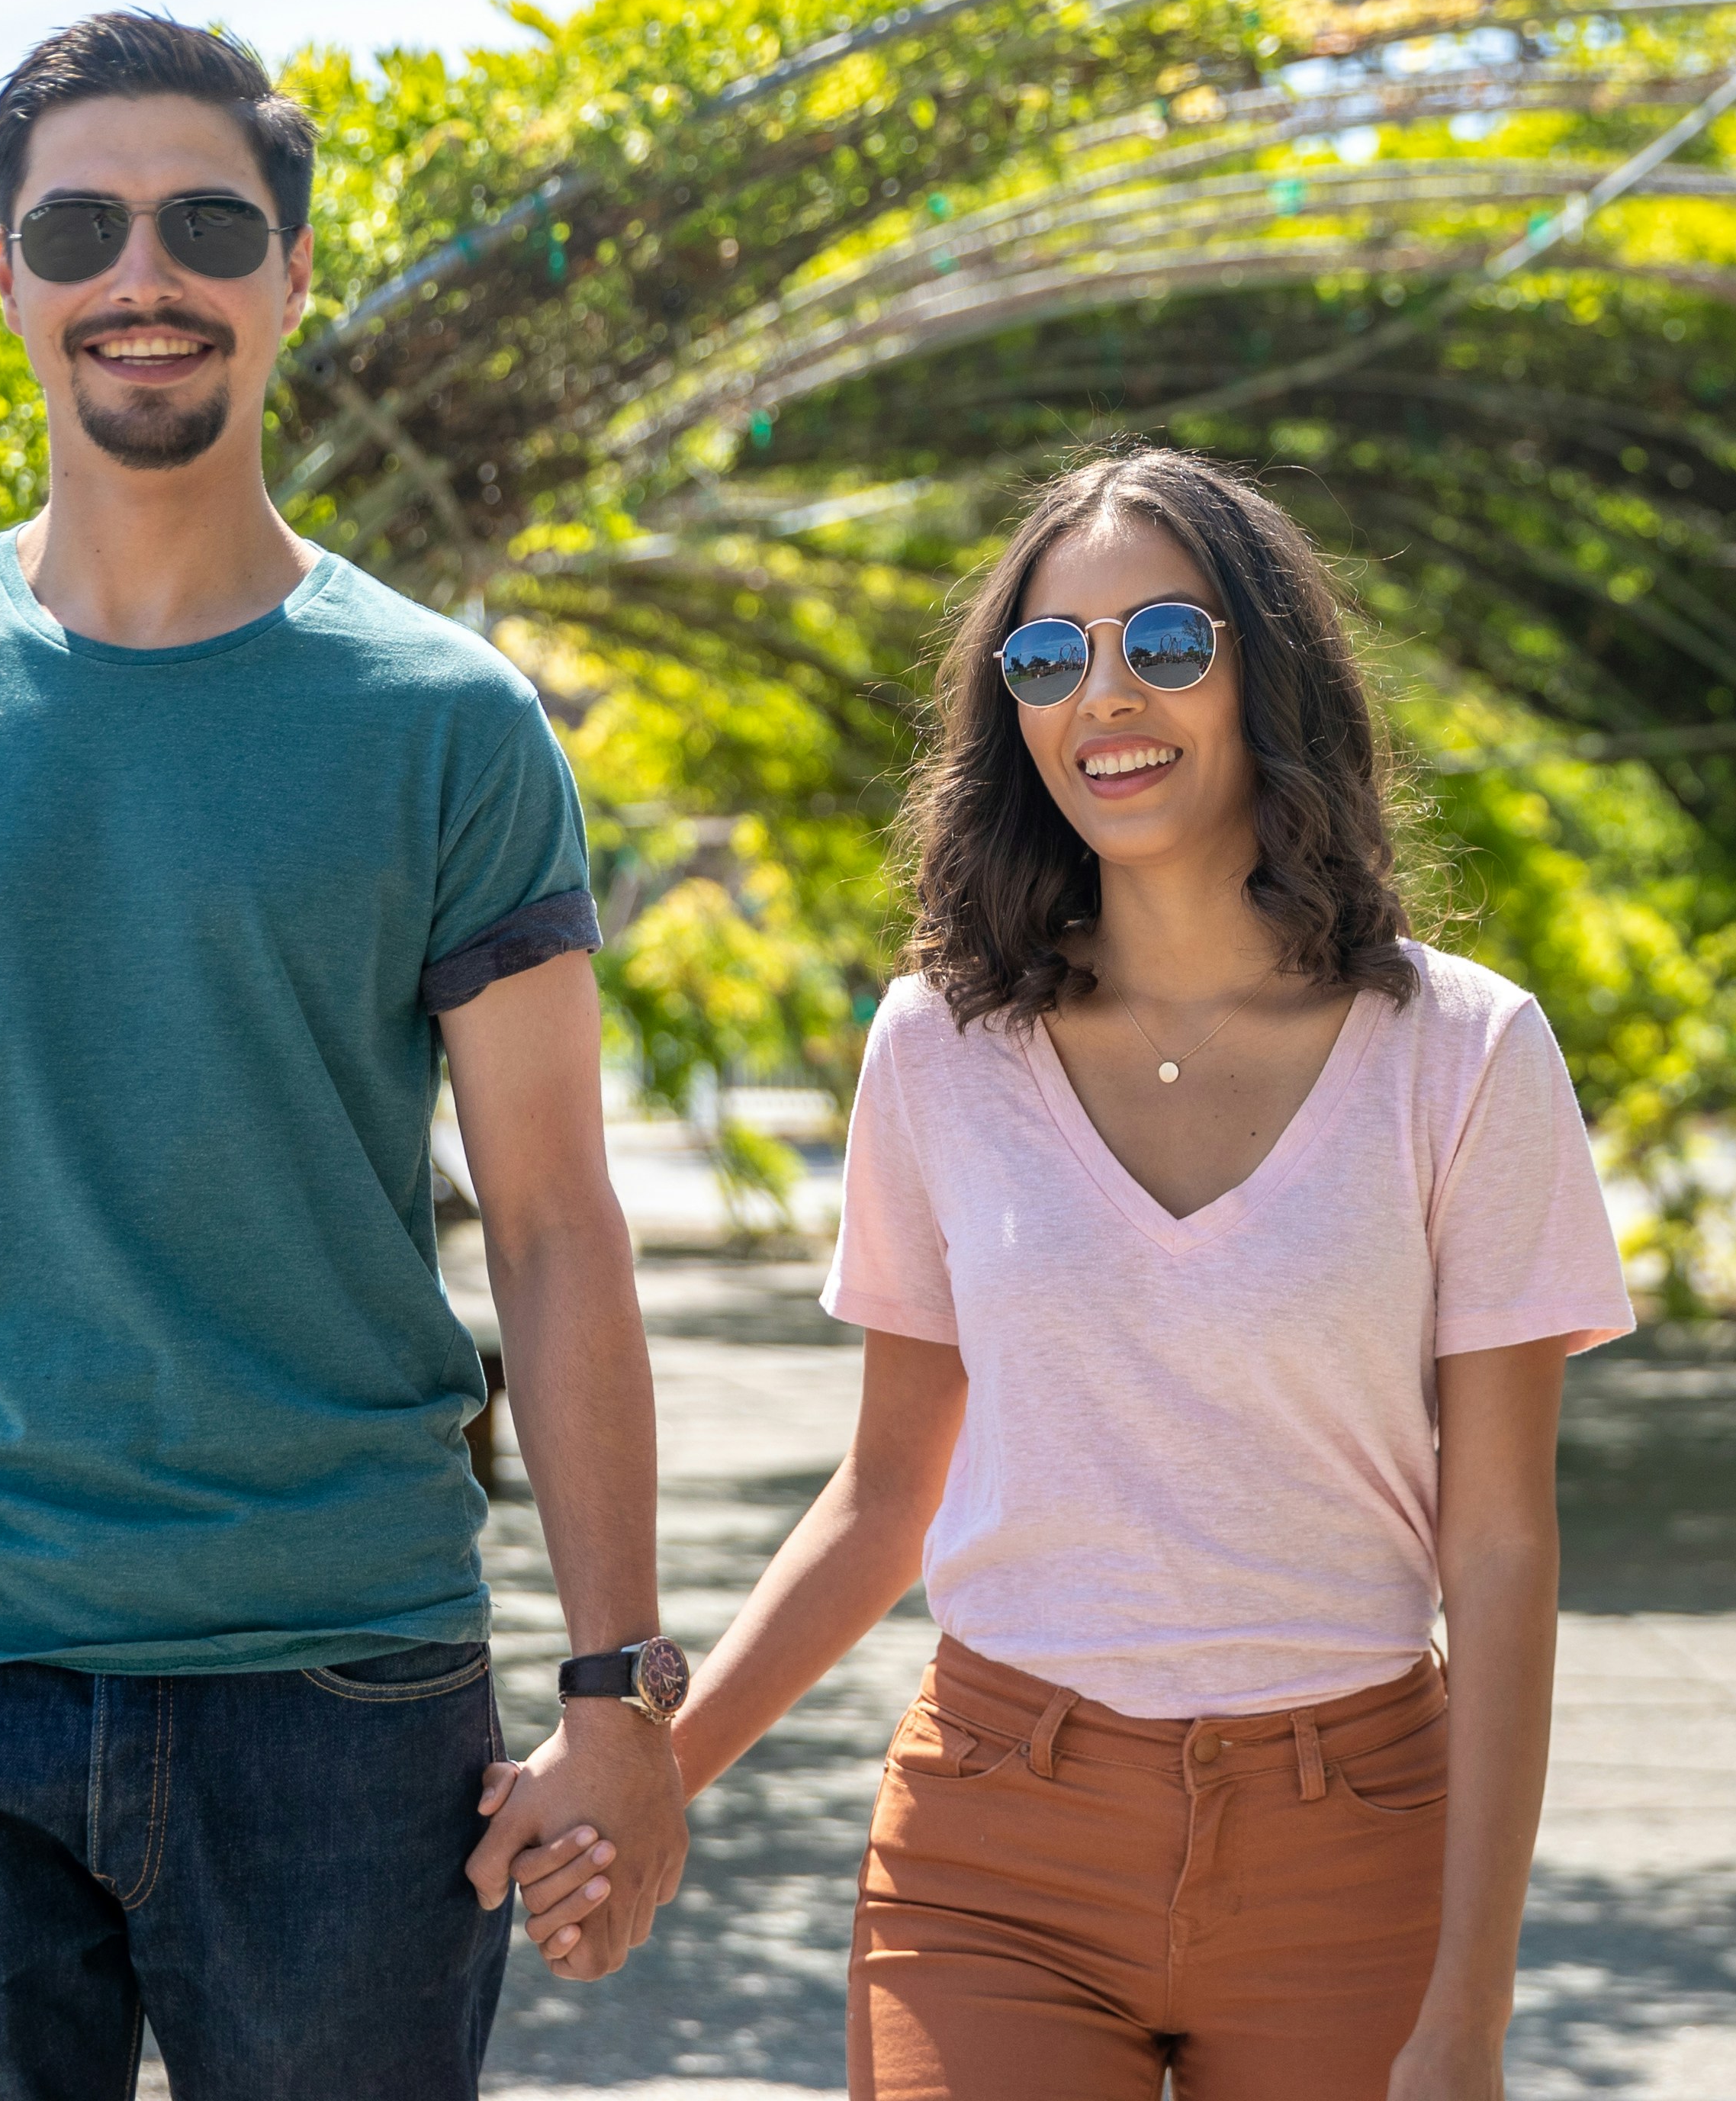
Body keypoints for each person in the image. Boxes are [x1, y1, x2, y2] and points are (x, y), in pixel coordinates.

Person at [0, 11, 686, 2098]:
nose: (140, 275)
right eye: (78, 224)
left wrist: (619, 1688)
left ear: (288, 275)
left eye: (205, 224)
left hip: (348, 1690)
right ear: (8, 275)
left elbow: (553, 1219)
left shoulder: (447, 725)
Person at [664, 448, 1632, 2101]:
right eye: (1051, 661)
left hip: (1356, 1848)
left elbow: (1500, 1541)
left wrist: (1470, 2010)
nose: (1106, 695)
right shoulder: (939, 1048)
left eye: (1167, 645)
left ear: (1272, 671)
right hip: (996, 1843)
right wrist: (651, 1767)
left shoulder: (1464, 1053)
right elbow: (887, 1488)